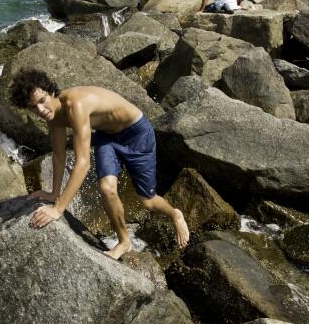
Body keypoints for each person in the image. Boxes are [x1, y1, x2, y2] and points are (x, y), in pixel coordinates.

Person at [10, 68, 189, 260]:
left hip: (136, 133)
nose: (40, 110)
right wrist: (54, 193)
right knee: (106, 188)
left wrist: (57, 209)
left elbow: (83, 163)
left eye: (41, 101)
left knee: (147, 200)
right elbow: (59, 157)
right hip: (107, 137)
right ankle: (124, 242)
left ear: (51, 92)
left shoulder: (74, 105)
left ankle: (175, 214)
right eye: (32, 107)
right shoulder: (53, 118)